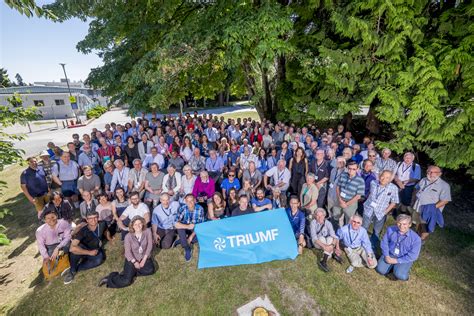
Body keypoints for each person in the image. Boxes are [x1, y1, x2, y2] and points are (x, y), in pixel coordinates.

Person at [99, 216, 155, 288]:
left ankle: (128, 272)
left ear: (143, 224)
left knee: (151, 270)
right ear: (132, 226)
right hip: (132, 259)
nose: (138, 226)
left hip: (143, 257)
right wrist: (135, 262)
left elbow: (149, 246)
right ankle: (110, 278)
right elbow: (127, 252)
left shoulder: (147, 231)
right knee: (127, 281)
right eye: (135, 224)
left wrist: (144, 260)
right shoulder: (128, 236)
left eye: (139, 223)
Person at [63, 211, 108, 284]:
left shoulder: (102, 224)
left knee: (98, 261)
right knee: (75, 249)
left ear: (98, 218)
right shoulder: (83, 230)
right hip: (83, 250)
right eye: (90, 218)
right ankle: (72, 271)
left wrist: (110, 238)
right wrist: (89, 253)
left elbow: (106, 230)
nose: (93, 220)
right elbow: (72, 248)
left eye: (95, 217)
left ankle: (76, 268)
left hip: (94, 249)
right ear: (87, 220)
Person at [376, 214, 421, 281]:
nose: (401, 226)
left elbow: (413, 256)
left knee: (400, 275)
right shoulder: (390, 229)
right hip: (390, 254)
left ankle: (402, 271)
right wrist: (386, 255)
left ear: (410, 224)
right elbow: (384, 243)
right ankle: (392, 268)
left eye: (404, 224)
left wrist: (397, 261)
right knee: (380, 270)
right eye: (399, 223)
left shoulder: (416, 239)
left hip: (404, 258)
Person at [362, 170, 399, 249]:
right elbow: (369, 193)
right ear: (379, 176)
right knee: (364, 227)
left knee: (377, 231)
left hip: (381, 212)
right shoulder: (373, 183)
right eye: (383, 176)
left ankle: (371, 246)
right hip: (369, 209)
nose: (384, 179)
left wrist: (385, 212)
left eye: (387, 178)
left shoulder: (393, 188)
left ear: (390, 179)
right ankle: (361, 242)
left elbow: (394, 202)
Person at [414, 165, 451, 241]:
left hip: (430, 210)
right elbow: (416, 188)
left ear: (439, 174)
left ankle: (421, 240)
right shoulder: (423, 180)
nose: (431, 174)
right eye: (429, 171)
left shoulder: (444, 185)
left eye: (434, 172)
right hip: (418, 206)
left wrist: (431, 208)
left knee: (426, 227)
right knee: (418, 222)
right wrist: (413, 199)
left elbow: (445, 200)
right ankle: (416, 237)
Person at [36, 208, 72, 277]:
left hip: (63, 242)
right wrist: (46, 257)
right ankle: (64, 263)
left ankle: (69, 259)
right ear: (45, 220)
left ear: (57, 216)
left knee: (70, 247)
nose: (51, 219)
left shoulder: (64, 222)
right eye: (48, 218)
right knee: (53, 260)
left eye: (53, 217)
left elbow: (68, 237)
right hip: (50, 246)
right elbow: (41, 245)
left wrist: (58, 248)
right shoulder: (40, 231)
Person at [310, 208, 342, 272]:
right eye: (317, 215)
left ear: (324, 216)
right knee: (322, 238)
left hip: (327, 242)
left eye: (321, 216)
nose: (319, 217)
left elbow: (334, 236)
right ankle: (331, 254)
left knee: (330, 238)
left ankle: (323, 261)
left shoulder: (328, 223)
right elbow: (314, 238)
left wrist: (336, 247)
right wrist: (325, 247)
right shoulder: (313, 223)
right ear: (315, 216)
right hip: (318, 242)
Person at [333, 161, 365, 226]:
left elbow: (358, 196)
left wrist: (346, 204)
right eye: (349, 168)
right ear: (347, 168)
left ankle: (345, 234)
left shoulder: (360, 180)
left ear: (357, 169)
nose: (351, 170)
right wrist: (340, 199)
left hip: (351, 204)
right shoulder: (343, 175)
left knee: (349, 220)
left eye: (354, 169)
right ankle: (335, 232)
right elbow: (338, 187)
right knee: (335, 217)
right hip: (339, 200)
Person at [175, 194, 205, 261]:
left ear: (194, 200)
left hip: (195, 229)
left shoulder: (200, 209)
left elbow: (200, 226)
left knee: (196, 239)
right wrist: (187, 226)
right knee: (179, 227)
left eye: (191, 200)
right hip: (185, 228)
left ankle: (182, 240)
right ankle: (187, 248)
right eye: (188, 201)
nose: (190, 203)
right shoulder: (182, 208)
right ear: (185, 201)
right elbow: (176, 223)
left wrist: (191, 237)